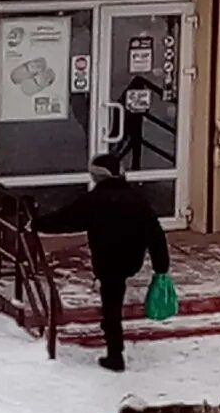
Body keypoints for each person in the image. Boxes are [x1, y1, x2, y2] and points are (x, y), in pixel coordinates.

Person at [29, 154, 170, 372]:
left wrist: (36, 224)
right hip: (131, 259)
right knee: (114, 299)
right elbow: (156, 235)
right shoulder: (137, 199)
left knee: (111, 305)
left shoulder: (94, 200)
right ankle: (111, 336)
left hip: (107, 261)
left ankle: (115, 355)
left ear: (97, 176)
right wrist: (161, 266)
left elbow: (65, 220)